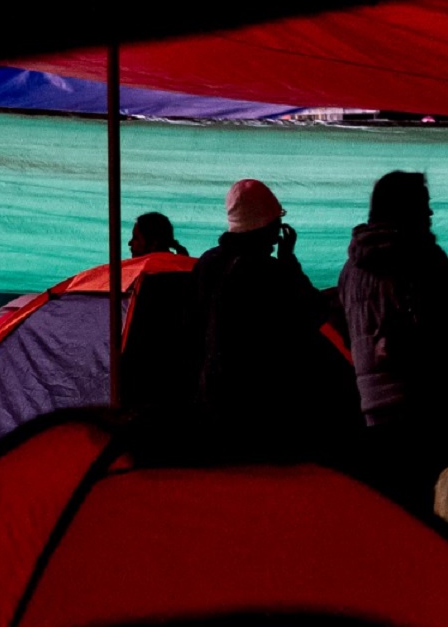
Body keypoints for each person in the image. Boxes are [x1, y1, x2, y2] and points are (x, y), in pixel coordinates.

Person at [190, 178, 336, 460]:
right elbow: (313, 312)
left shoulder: (207, 264)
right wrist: (289, 262)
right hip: (263, 406)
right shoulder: (271, 273)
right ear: (268, 227)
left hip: (211, 398)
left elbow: (192, 324)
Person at [338, 170, 448, 517]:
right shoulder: (421, 259)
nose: (430, 215)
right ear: (409, 209)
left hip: (371, 405)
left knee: (397, 507)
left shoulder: (350, 269)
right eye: (424, 206)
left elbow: (347, 330)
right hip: (419, 402)